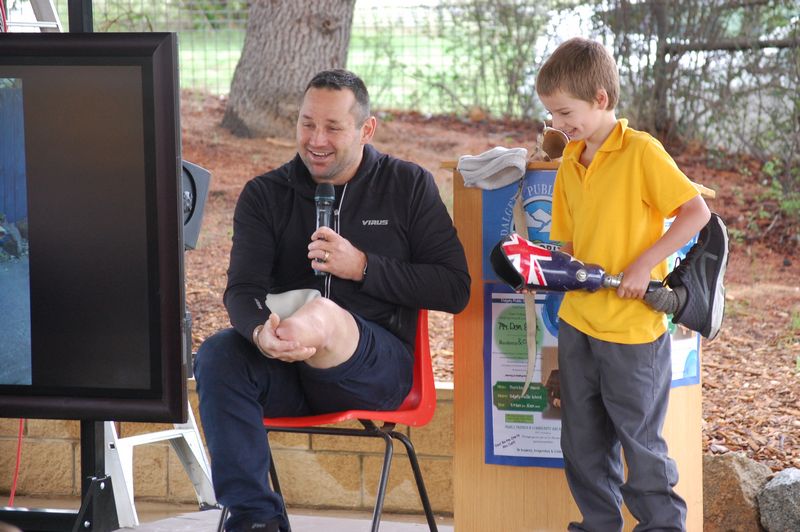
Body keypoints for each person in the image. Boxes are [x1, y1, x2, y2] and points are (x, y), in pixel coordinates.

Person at [193, 69, 470, 532]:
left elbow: (454, 288)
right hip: (285, 369)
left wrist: (363, 266)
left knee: (321, 313)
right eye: (306, 124)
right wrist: (262, 334)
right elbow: (242, 291)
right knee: (218, 352)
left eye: (333, 127)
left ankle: (309, 329)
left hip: (374, 371)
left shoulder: (408, 186)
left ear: (366, 129)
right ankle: (255, 519)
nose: (316, 140)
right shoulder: (267, 194)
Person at [535, 37, 726, 531]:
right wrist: (541, 271)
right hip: (578, 324)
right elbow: (569, 247)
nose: (558, 125)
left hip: (633, 332)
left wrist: (643, 265)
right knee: (581, 444)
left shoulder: (641, 151)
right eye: (552, 115)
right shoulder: (570, 164)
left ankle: (662, 526)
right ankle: (598, 525)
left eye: (564, 112)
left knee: (641, 446)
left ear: (600, 99)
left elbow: (696, 214)